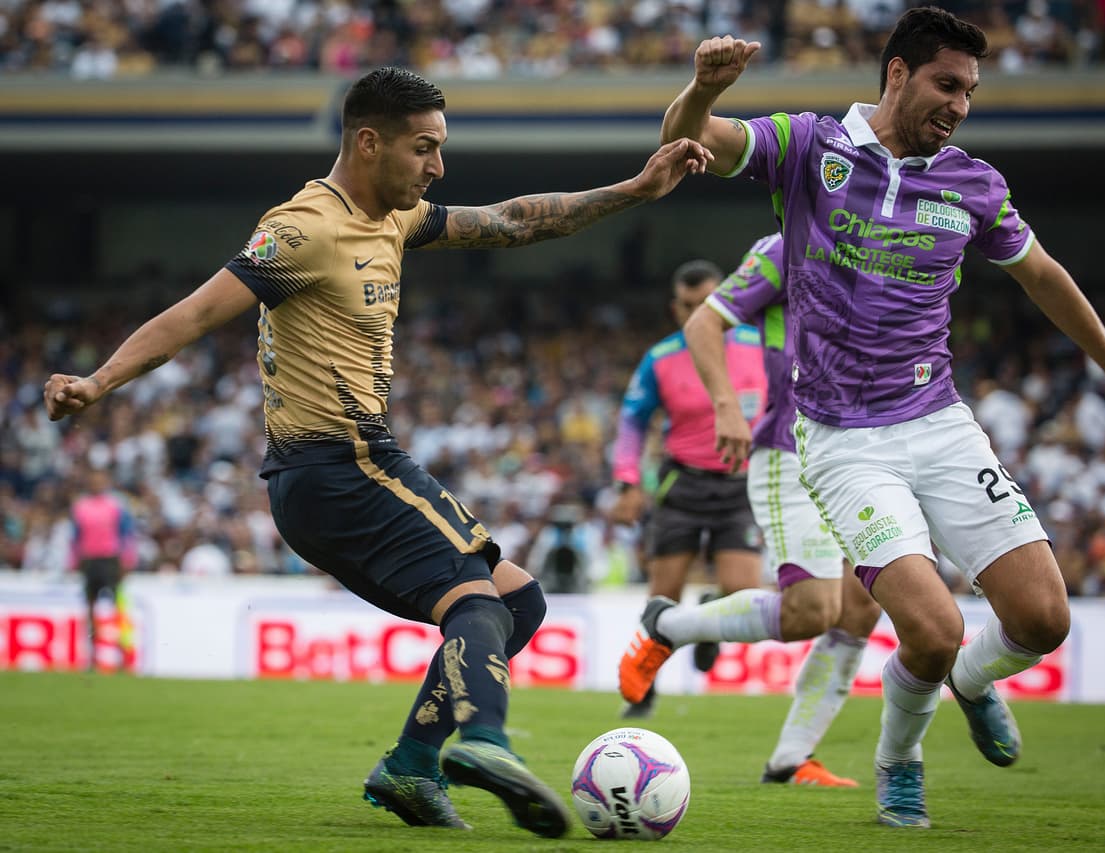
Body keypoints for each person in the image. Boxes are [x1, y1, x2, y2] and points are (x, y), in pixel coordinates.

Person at [44, 66, 712, 839]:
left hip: (340, 475)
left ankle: (410, 766)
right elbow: (196, 311)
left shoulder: (393, 219)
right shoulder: (305, 228)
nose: (437, 167)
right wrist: (97, 382)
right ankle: (485, 743)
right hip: (339, 467)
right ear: (369, 142)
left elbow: (512, 220)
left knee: (518, 600)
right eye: (424, 148)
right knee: (475, 599)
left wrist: (634, 189)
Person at [659, 7, 1105, 827]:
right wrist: (699, 91)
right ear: (897, 73)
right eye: (946, 84)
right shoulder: (808, 147)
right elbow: (693, 141)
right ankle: (900, 759)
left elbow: (1044, 276)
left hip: (937, 421)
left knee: (1044, 619)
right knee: (930, 630)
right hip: (840, 441)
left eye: (970, 90)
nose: (960, 104)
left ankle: (972, 682)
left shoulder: (974, 183)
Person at [619, 232, 883, 787]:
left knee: (860, 606)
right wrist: (629, 480)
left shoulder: (889, 240)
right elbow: (632, 421)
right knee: (806, 609)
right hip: (697, 478)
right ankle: (666, 631)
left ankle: (791, 758)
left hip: (839, 454)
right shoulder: (671, 353)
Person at [609, 259, 768, 718]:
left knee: (742, 595)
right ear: (675, 308)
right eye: (689, 305)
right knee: (663, 594)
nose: (698, 311)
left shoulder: (759, 348)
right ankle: (645, 690)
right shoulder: (660, 359)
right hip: (683, 483)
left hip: (742, 484)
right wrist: (628, 483)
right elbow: (632, 422)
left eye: (708, 303)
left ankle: (709, 626)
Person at [70, 466, 134, 671]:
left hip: (110, 559)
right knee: (90, 610)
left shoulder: (115, 505)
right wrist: (74, 561)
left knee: (118, 609)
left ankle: (124, 656)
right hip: (90, 560)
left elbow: (126, 534)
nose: (96, 484)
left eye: (100, 480)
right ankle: (92, 657)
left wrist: (126, 560)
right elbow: (75, 537)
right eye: (93, 480)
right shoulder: (80, 506)